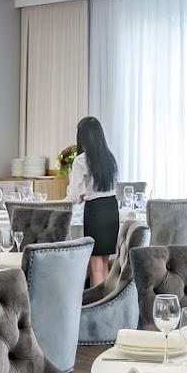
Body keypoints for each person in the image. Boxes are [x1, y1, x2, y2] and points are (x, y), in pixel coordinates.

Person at [67, 116, 119, 286]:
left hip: (96, 211)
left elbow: (73, 195)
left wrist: (79, 196)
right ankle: (108, 299)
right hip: (112, 210)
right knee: (104, 263)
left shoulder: (81, 160)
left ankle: (98, 302)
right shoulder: (110, 158)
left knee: (95, 266)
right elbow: (109, 188)